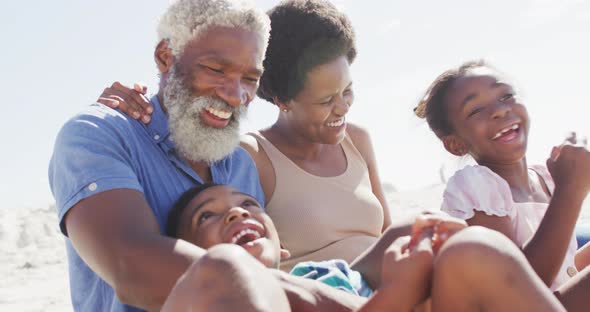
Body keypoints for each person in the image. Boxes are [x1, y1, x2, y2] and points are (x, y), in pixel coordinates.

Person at [48, 1, 373, 311]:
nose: (235, 95)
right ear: (165, 57)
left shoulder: (241, 165)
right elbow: (130, 266)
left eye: (250, 78)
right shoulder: (100, 135)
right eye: (216, 69)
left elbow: (270, 254)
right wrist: (324, 301)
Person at [159, 183, 566, 311]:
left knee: (473, 248)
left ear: (284, 249)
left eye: (247, 205)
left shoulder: (319, 275)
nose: (235, 214)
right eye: (206, 217)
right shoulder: (271, 299)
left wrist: (426, 249)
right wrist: (401, 287)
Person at [414, 60, 590, 311]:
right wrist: (570, 192)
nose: (499, 111)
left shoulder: (547, 179)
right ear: (456, 145)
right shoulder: (477, 187)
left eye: (506, 96)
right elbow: (517, 290)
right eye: (475, 110)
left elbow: (568, 269)